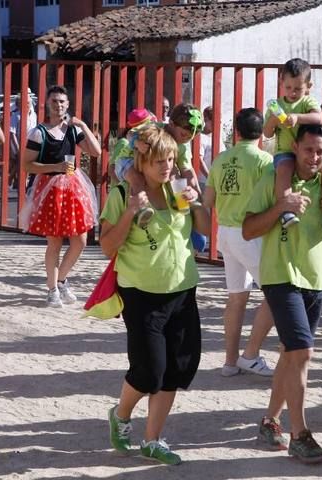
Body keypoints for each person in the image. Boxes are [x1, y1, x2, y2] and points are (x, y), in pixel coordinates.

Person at [101, 124, 210, 465]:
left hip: (181, 289)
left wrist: (197, 200)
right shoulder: (122, 195)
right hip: (141, 293)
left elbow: (205, 229)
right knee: (150, 371)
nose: (167, 166)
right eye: (160, 160)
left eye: (171, 159)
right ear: (142, 162)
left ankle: (152, 439)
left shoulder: (178, 188)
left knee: (176, 369)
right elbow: (106, 246)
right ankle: (120, 415)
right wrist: (133, 211)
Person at [243, 124, 322, 464]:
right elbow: (247, 229)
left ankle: (269, 421)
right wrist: (281, 207)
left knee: (291, 355)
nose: (314, 158)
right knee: (303, 352)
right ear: (296, 148)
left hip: (315, 280)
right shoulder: (276, 176)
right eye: (308, 150)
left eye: (321, 152)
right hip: (280, 276)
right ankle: (299, 434)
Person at [202, 108, 275, 377]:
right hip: (252, 234)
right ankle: (251, 354)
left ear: (236, 131)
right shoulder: (265, 160)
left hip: (226, 233)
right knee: (277, 295)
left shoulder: (221, 159)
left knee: (236, 297)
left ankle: (230, 362)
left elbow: (208, 202)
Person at [21, 85, 101, 308]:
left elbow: (96, 152)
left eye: (62, 102)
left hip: (73, 186)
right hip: (49, 188)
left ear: (68, 105)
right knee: (54, 241)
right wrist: (55, 165)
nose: (58, 105)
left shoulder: (73, 130)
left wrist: (83, 124)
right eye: (55, 101)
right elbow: (27, 164)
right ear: (47, 104)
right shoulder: (39, 132)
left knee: (81, 240)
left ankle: (62, 279)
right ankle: (52, 289)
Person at [263, 58, 322, 234]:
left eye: (298, 89)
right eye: (288, 88)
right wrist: (273, 119)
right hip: (286, 152)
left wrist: (297, 118)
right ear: (281, 82)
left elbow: (319, 118)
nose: (293, 93)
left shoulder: (307, 102)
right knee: (284, 170)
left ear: (308, 86)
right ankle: (286, 209)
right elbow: (267, 133)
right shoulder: (276, 105)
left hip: (309, 152)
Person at [196, 106, 226, 190]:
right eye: (214, 120)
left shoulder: (217, 138)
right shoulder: (201, 137)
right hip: (204, 182)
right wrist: (210, 177)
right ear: (206, 119)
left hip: (217, 182)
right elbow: (199, 160)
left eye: (219, 120)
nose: (219, 123)